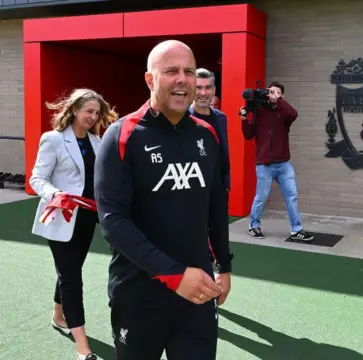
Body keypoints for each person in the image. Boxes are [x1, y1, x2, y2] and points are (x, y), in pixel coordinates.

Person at [93, 40, 233, 360]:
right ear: (150, 79)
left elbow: (215, 205)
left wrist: (223, 265)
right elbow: (113, 221)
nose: (182, 79)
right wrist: (174, 274)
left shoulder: (206, 135)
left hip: (196, 296)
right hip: (138, 297)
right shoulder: (121, 136)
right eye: (171, 71)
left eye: (188, 71)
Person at [29, 88, 118, 360]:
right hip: (60, 217)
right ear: (74, 109)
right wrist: (55, 194)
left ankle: (58, 316)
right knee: (71, 277)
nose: (92, 117)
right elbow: (36, 178)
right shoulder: (53, 140)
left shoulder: (98, 142)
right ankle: (83, 346)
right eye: (88, 111)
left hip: (88, 217)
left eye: (96, 112)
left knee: (70, 269)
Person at [240, 82, 314, 241]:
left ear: (281, 96)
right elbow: (248, 135)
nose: (273, 94)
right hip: (264, 164)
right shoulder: (260, 111)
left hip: (283, 164)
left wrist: (278, 100)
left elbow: (294, 114)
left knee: (292, 195)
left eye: (277, 92)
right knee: (261, 196)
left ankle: (296, 229)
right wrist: (244, 118)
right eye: (271, 91)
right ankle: (254, 225)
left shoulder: (284, 114)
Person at [189, 68, 230, 191]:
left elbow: (224, 153)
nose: (203, 93)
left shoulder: (221, 118)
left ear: (214, 90)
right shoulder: (182, 118)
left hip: (218, 189)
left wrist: (226, 184)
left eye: (207, 87)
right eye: (198, 87)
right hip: (192, 189)